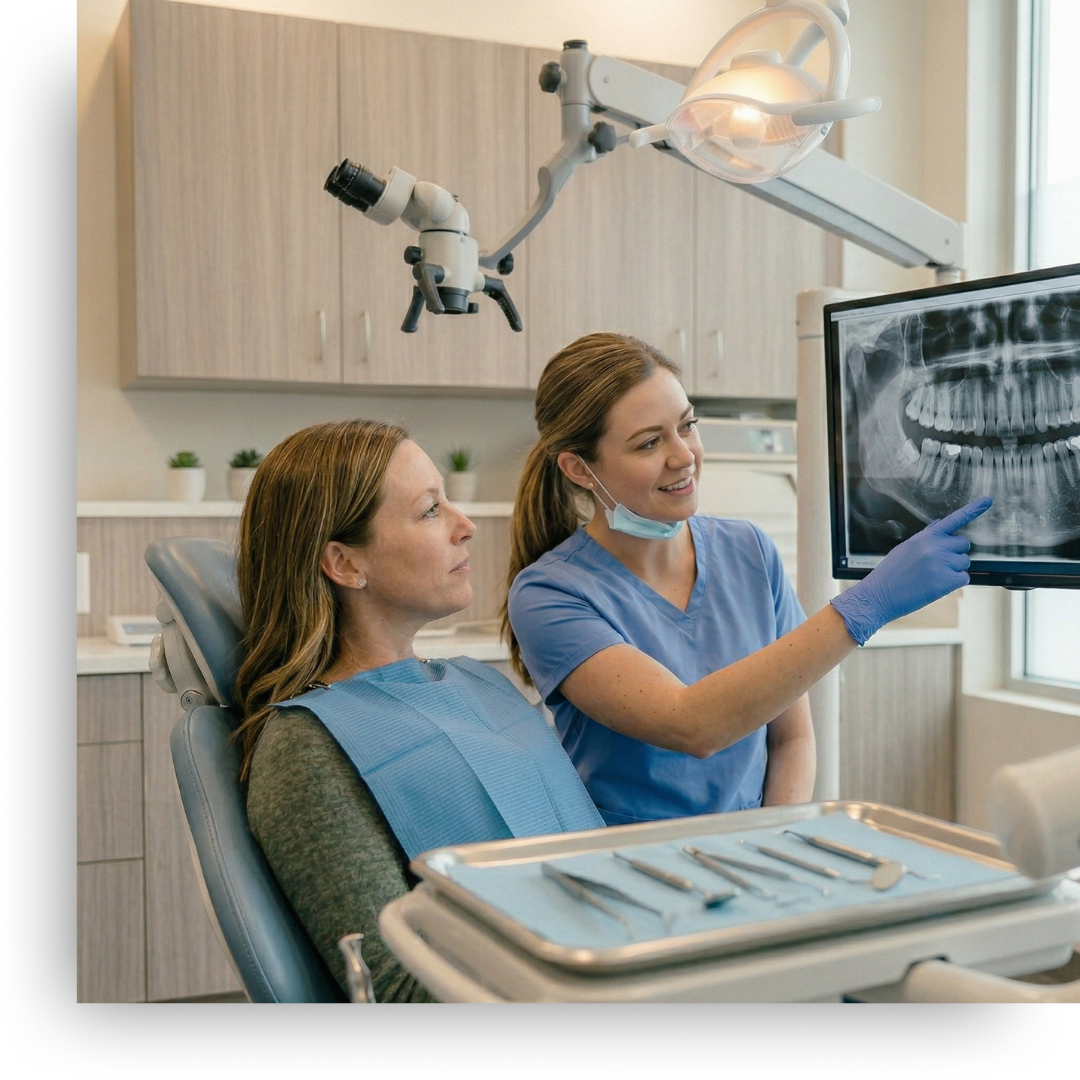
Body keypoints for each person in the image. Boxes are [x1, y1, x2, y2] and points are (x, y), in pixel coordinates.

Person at [504, 333, 990, 826]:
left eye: (687, 426)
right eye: (649, 442)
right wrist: (869, 604)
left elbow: (792, 737)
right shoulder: (549, 594)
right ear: (579, 468)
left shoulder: (749, 549)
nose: (683, 456)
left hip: (751, 848)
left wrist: (770, 842)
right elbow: (692, 725)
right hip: (624, 858)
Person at [234, 419, 604, 1002]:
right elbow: (392, 988)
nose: (465, 525)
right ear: (345, 564)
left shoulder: (478, 684)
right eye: (430, 510)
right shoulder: (307, 747)